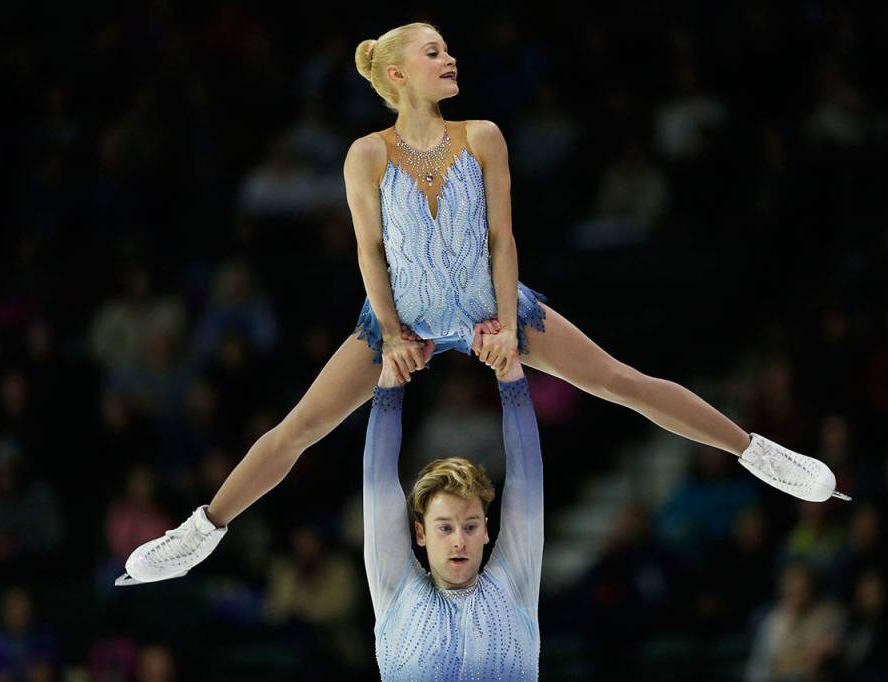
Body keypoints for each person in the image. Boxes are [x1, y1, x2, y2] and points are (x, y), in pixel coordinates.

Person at [116, 21, 846, 587]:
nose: (450, 60)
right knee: (300, 426)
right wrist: (395, 335)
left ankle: (757, 452)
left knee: (620, 381)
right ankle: (200, 531)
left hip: (491, 306)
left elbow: (502, 238)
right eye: (435, 53)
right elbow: (370, 254)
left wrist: (500, 323)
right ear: (399, 73)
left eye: (450, 50)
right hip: (395, 318)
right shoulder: (365, 155)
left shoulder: (484, 137)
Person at [365, 341, 542, 679]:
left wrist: (511, 375)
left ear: (487, 529)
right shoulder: (396, 592)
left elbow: (527, 482)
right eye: (445, 527)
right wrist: (390, 376)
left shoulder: (515, 584)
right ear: (421, 533)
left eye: (471, 526)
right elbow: (378, 485)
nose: (459, 541)